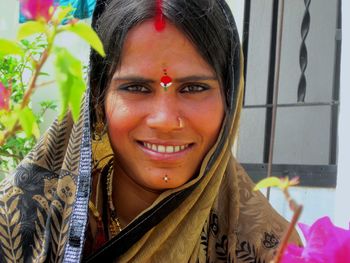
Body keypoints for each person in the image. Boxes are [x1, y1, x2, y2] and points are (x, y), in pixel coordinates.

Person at [0, 0, 300, 262]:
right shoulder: (22, 222)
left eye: (194, 88)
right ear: (98, 101)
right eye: (136, 88)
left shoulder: (270, 248)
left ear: (230, 101)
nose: (166, 120)